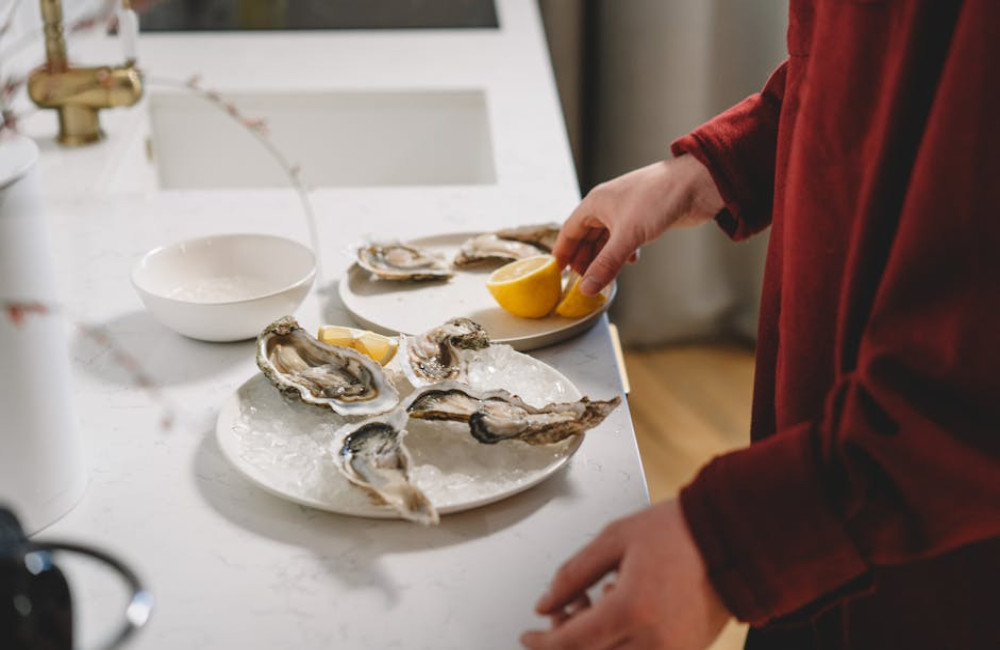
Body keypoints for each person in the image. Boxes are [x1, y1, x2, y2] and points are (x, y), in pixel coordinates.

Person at [521, 1, 1000, 649]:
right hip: (819, 495)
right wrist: (715, 166)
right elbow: (869, 62)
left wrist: (737, 540)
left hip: (933, 553)